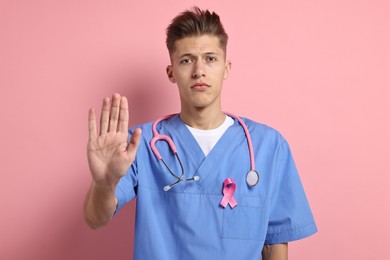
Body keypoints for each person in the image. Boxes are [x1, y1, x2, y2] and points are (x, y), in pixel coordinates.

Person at [83, 6, 317, 260]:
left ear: (226, 68)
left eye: (210, 58)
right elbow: (96, 218)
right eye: (186, 60)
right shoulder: (141, 144)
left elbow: (274, 244)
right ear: (171, 73)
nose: (199, 71)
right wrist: (104, 184)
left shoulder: (267, 146)